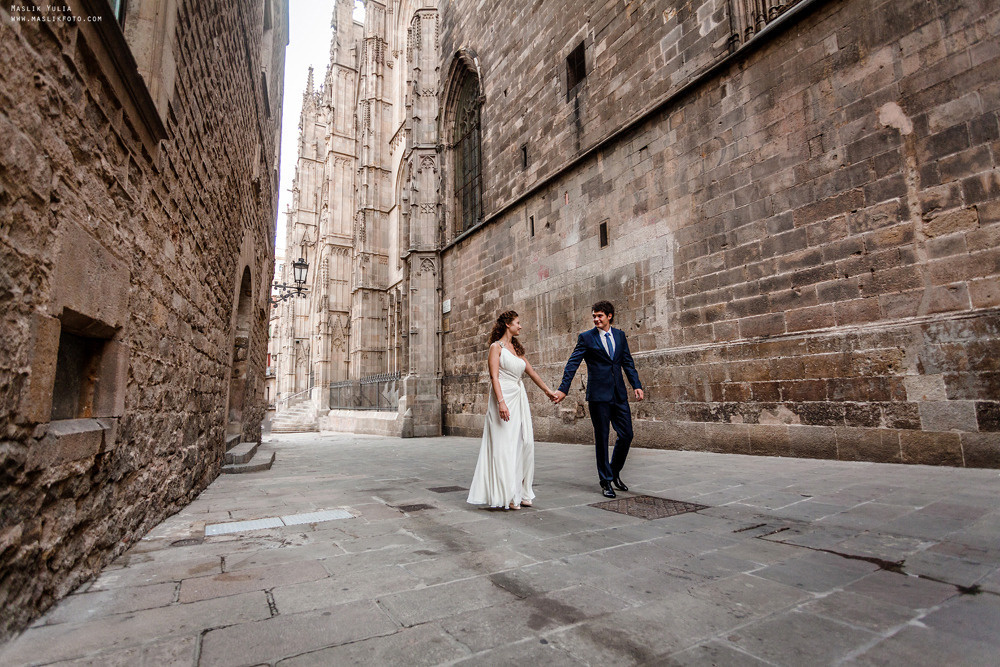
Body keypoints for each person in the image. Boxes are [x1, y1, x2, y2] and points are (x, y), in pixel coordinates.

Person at [553, 300, 644, 498]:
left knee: (627, 434)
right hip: (598, 396)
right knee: (602, 438)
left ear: (609, 316)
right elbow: (572, 364)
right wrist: (563, 389)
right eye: (594, 316)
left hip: (619, 395)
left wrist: (636, 384)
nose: (596, 319)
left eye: (599, 316)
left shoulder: (619, 335)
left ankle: (614, 472)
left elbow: (627, 361)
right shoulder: (586, 338)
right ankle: (606, 481)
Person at [468, 310, 557, 510]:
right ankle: (507, 494)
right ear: (508, 324)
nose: (520, 326)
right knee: (505, 445)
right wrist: (501, 402)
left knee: (524, 443)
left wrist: (548, 391)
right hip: (503, 397)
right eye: (518, 322)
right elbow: (494, 377)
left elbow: (531, 372)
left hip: (518, 397)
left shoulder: (516, 348)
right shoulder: (495, 347)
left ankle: (522, 491)